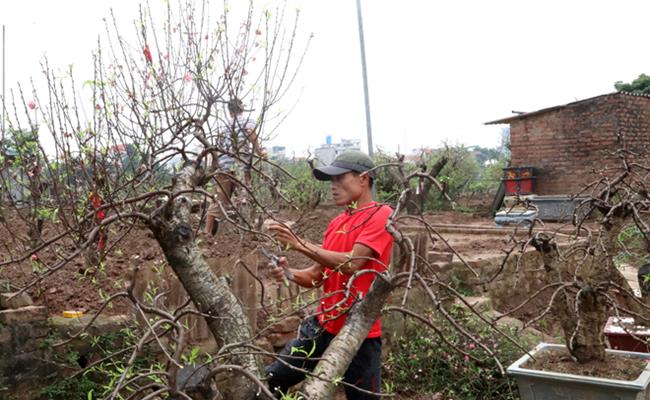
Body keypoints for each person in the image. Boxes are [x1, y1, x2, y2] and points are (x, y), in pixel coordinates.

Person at [265, 150, 393, 399]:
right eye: (331, 181)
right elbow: (317, 277)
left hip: (360, 335)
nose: (333, 187)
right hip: (323, 328)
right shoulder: (336, 223)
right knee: (273, 378)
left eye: (340, 179)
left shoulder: (382, 215)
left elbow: (352, 264)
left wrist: (300, 244)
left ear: (363, 179)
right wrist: (288, 273)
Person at [205, 98, 262, 236]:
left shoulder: (223, 126)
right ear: (242, 108)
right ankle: (249, 232)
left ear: (229, 111)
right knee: (246, 197)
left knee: (219, 200)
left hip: (223, 168)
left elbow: (216, 148)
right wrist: (260, 152)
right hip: (240, 166)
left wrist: (214, 168)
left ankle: (206, 232)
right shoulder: (247, 120)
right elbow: (251, 134)